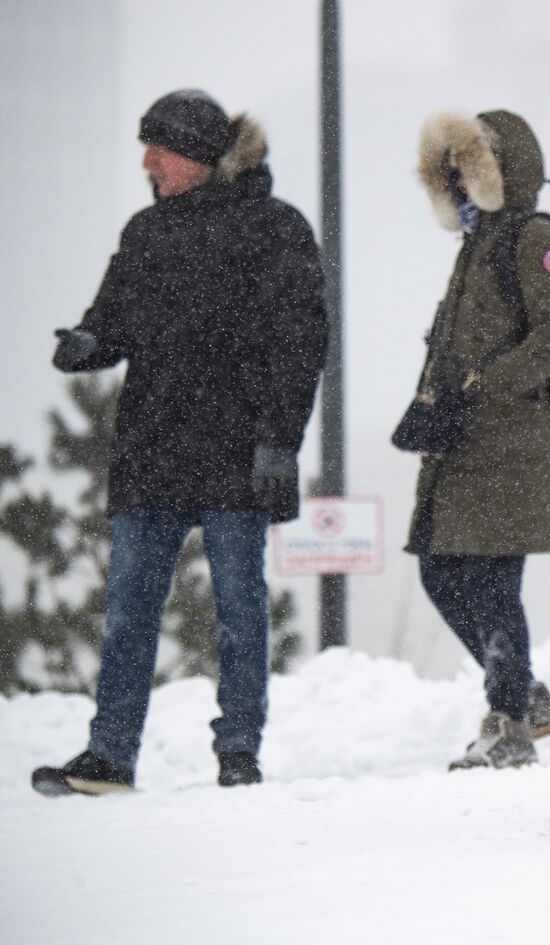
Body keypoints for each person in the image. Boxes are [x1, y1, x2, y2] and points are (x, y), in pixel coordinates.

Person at [31, 89, 328, 796]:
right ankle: (109, 755)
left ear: (196, 155)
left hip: (237, 452)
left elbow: (302, 343)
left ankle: (238, 751)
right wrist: (88, 343)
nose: (147, 161)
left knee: (239, 613)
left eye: (158, 148)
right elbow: (113, 321)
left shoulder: (275, 228)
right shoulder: (147, 233)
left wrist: (279, 441)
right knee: (129, 611)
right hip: (152, 451)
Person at [406, 109, 550, 769]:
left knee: (491, 580)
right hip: (462, 444)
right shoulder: (476, 245)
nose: (451, 178)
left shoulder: (533, 236)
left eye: (463, 164)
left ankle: (509, 722)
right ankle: (524, 695)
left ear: (493, 169)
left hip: (511, 443)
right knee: (441, 567)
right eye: (444, 168)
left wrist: (489, 383)